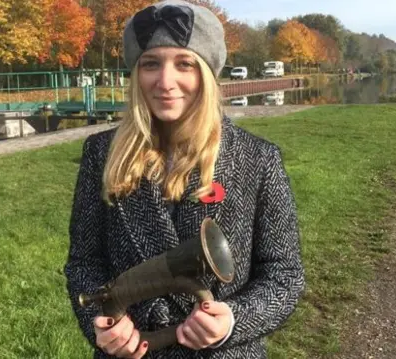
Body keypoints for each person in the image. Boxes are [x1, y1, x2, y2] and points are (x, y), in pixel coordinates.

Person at [64, 1, 305, 358]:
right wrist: (103, 323)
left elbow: (284, 275)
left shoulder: (257, 158)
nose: (165, 81)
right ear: (135, 74)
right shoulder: (101, 153)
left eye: (184, 64)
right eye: (150, 64)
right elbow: (84, 264)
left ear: (206, 74)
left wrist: (233, 321)